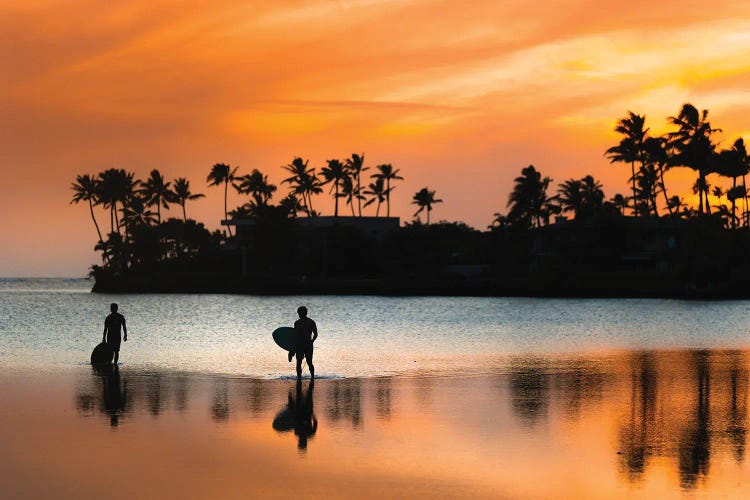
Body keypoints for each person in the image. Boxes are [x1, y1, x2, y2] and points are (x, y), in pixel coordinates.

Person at [293, 306, 317, 379]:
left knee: (309, 362)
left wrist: (312, 341)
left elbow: (315, 334)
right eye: (298, 314)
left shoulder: (311, 322)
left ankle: (312, 377)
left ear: (305, 313)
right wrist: (292, 349)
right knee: (298, 362)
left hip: (308, 345)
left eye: (300, 313)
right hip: (299, 345)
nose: (299, 315)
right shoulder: (296, 323)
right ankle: (299, 378)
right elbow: (294, 336)